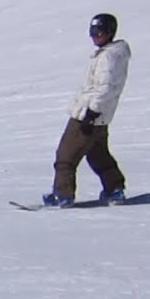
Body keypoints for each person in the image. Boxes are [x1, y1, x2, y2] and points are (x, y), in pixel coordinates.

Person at [43, 13, 131, 208]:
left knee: (66, 156)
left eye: (99, 33)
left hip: (88, 116)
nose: (95, 37)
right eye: (92, 33)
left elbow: (105, 88)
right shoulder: (112, 54)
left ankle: (62, 194)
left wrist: (91, 112)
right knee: (98, 155)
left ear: (110, 33)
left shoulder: (108, 58)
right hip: (100, 117)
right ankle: (114, 188)